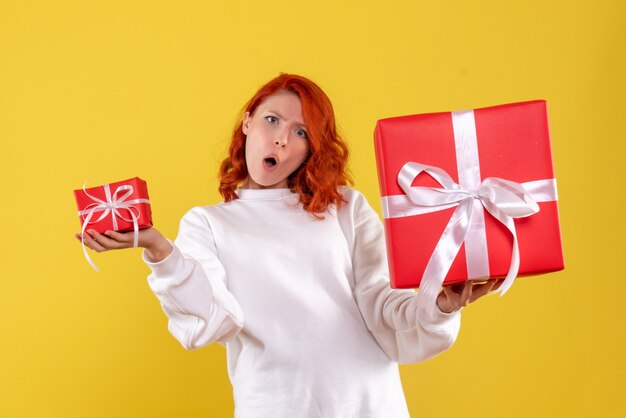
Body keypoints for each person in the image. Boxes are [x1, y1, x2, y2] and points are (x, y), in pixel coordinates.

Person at [75, 73, 502, 417]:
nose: (281, 139)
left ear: (310, 149)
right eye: (272, 120)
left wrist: (440, 304)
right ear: (247, 122)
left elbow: (385, 312)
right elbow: (212, 321)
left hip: (370, 404)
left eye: (300, 132)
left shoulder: (346, 208)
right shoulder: (208, 223)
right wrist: (159, 250)